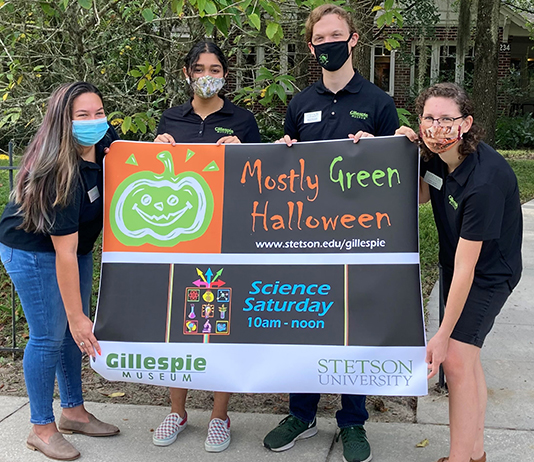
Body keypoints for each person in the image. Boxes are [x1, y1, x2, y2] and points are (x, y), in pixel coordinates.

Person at [263, 5, 398, 462]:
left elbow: (393, 178)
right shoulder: (301, 104)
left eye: (336, 36)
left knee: (352, 328)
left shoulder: (379, 103)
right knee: (304, 324)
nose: (329, 44)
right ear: (311, 46)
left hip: (358, 239)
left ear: (354, 39)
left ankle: (353, 421)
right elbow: (285, 171)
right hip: (304, 239)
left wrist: (378, 153)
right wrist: (284, 154)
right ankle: (301, 414)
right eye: (320, 39)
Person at [396, 82, 522, 462]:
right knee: (467, 361)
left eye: (447, 119)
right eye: (429, 118)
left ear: (465, 123)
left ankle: (458, 458)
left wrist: (441, 335)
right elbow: (422, 193)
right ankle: (476, 453)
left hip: (489, 274)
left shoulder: (485, 181)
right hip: (455, 265)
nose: (437, 127)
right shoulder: (436, 156)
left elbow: (469, 270)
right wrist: (399, 148)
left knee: (454, 358)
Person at [0, 82, 120, 461]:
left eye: (98, 112)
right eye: (82, 116)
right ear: (62, 121)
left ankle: (73, 412)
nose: (94, 121)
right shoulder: (57, 173)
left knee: (73, 336)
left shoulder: (104, 139)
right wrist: (77, 316)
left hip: (74, 246)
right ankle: (41, 427)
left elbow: (134, 159)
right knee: (50, 335)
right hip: (33, 250)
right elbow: (62, 254)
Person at [152, 40, 261, 453]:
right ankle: (178, 412)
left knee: (217, 322)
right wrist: (157, 151)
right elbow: (154, 178)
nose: (207, 75)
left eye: (215, 68)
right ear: (187, 73)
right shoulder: (170, 118)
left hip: (225, 238)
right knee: (177, 327)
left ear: (225, 75)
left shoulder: (243, 120)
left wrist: (244, 154)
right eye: (199, 68)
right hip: (178, 239)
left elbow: (260, 181)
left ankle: (219, 416)